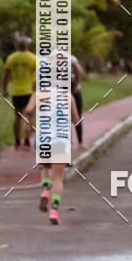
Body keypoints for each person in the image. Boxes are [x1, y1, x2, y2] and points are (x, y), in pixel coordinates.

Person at [24, 86, 80, 225]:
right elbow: (76, 120)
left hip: (43, 140)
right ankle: (54, 210)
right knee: (58, 178)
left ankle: (44, 191)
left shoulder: (38, 94)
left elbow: (29, 109)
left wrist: (30, 118)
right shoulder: (68, 96)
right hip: (62, 141)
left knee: (45, 168)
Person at [3, 36, 36, 149]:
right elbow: (37, 78)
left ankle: (17, 141)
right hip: (29, 92)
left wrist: (4, 89)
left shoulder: (11, 58)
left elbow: (6, 75)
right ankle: (26, 141)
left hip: (16, 92)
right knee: (29, 117)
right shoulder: (33, 58)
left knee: (17, 117)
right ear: (27, 45)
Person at [70, 54, 83, 147]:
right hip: (74, 91)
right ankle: (80, 143)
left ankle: (67, 144)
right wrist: (76, 84)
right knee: (77, 117)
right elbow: (79, 70)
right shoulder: (71, 58)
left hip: (63, 92)